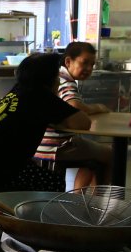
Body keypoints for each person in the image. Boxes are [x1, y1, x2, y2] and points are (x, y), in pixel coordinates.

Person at [0, 52, 92, 193]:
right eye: (57, 76)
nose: (59, 81)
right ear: (49, 78)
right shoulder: (40, 96)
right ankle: (26, 214)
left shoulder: (18, 91)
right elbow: (83, 123)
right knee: (54, 182)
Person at [34, 42, 112, 188]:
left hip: (40, 144)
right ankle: (98, 204)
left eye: (92, 64)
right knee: (109, 155)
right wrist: (98, 107)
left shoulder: (58, 76)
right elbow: (74, 105)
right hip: (56, 146)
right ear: (68, 61)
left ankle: (78, 200)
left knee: (92, 158)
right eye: (85, 63)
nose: (89, 69)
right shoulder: (66, 81)